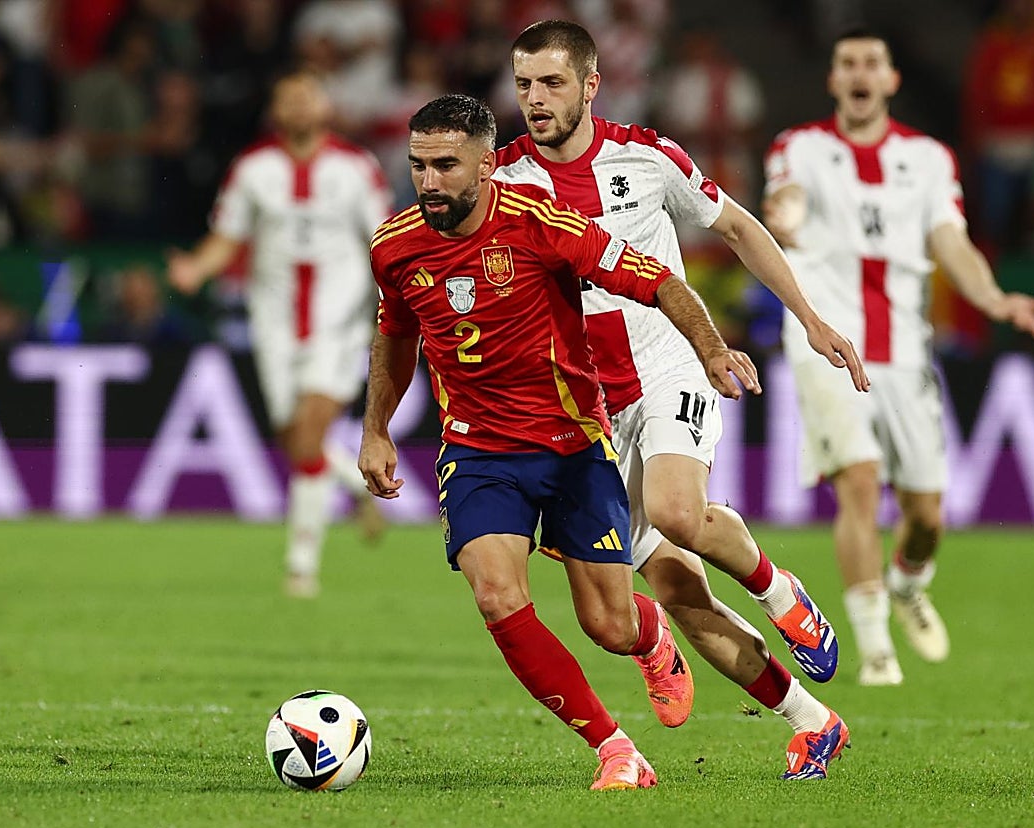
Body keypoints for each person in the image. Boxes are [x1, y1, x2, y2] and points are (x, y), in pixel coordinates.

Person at [495, 20, 864, 779]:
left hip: (670, 365)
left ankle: (775, 585)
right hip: (585, 412)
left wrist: (811, 318)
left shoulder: (647, 156)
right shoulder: (501, 184)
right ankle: (812, 722)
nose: (535, 99)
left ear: (590, 86)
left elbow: (735, 226)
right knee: (662, 595)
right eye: (524, 83)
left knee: (675, 512)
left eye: (552, 83)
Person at [359, 94, 754, 791]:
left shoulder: (540, 225)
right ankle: (615, 749)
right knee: (496, 597)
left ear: (487, 166)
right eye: (418, 165)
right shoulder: (394, 246)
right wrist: (376, 427)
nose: (428, 181)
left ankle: (650, 634)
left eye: (446, 165)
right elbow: (395, 336)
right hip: (478, 451)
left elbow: (658, 280)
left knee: (606, 622)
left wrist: (712, 350)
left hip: (573, 445)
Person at [763, 28, 1034, 686]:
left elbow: (951, 240)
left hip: (904, 350)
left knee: (926, 515)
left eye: (871, 63)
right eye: (847, 64)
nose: (859, 74)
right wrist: (782, 218)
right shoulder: (800, 148)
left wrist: (993, 297)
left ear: (891, 81)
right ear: (833, 80)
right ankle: (875, 653)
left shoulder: (927, 159)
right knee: (858, 484)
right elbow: (785, 202)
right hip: (828, 342)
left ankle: (907, 584)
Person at [167, 70, 392, 598]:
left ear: (324, 107)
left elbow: (384, 239)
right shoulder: (253, 170)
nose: (297, 106)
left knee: (309, 436)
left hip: (337, 318)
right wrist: (196, 270)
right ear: (275, 109)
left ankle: (301, 568)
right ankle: (356, 484)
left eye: (306, 96)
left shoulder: (356, 168)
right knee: (296, 442)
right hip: (273, 321)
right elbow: (227, 237)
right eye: (287, 97)